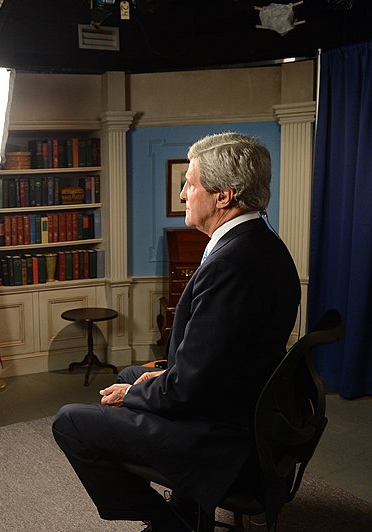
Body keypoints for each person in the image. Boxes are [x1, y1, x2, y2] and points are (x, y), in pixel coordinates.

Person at [52, 132, 301, 531]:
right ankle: (187, 502)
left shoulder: (231, 265)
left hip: (223, 434)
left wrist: (142, 392)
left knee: (70, 421)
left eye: (190, 184)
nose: (184, 194)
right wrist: (157, 379)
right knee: (130, 374)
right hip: (244, 401)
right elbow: (219, 357)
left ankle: (168, 525)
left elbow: (189, 389)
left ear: (224, 196)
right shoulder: (264, 243)